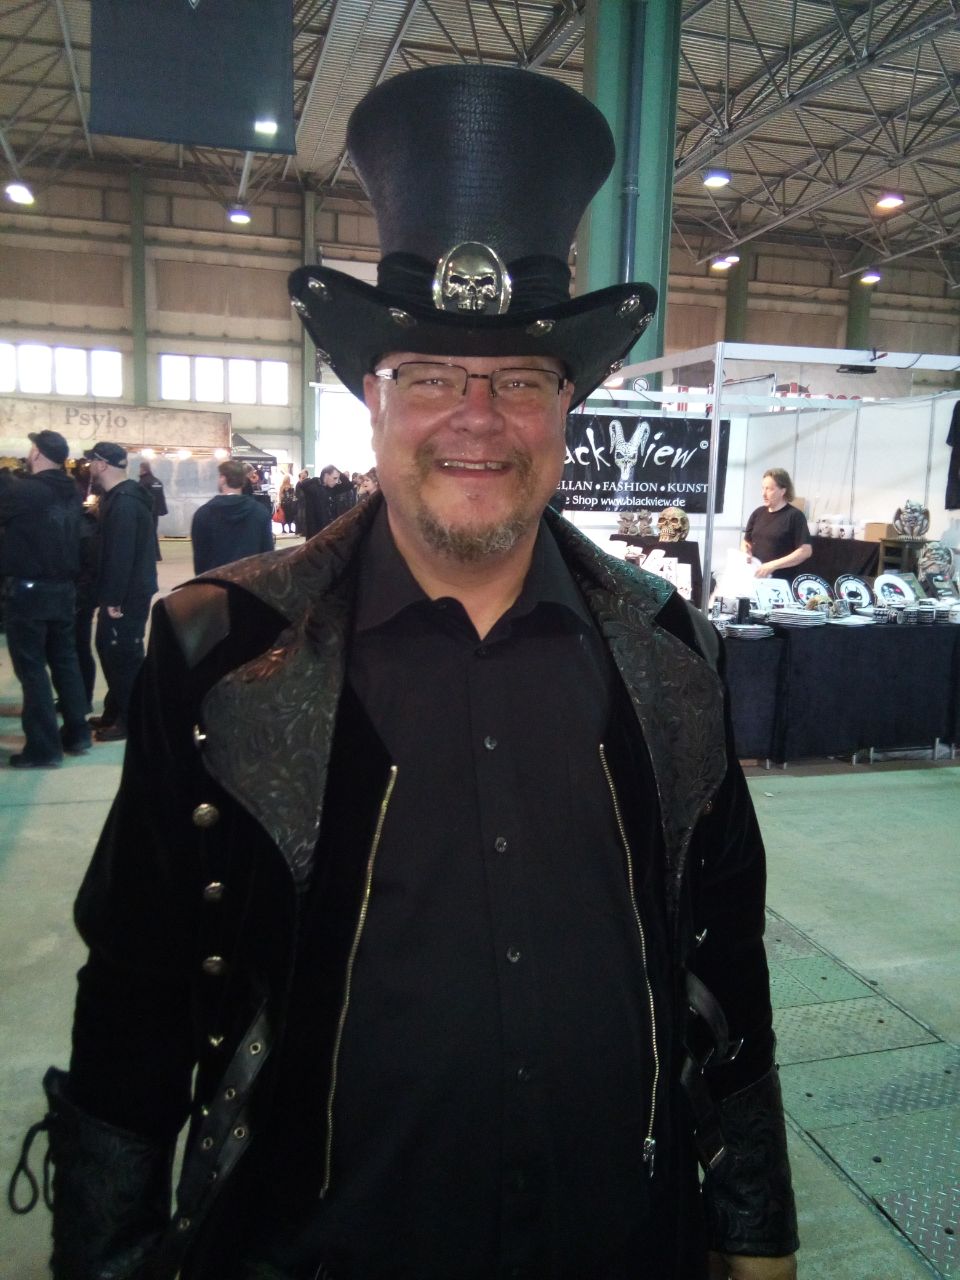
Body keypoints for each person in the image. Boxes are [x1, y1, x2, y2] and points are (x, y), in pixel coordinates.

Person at [27, 65, 796, 1280]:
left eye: (521, 379)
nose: (475, 415)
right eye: (428, 374)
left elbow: (725, 957)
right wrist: (107, 1256)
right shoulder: (221, 655)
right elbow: (137, 989)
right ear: (371, 401)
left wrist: (754, 1229)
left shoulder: (672, 655)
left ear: (567, 407)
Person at [0, 430, 91, 767]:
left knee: (32, 669)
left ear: (37, 453)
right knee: (65, 661)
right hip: (63, 590)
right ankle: (77, 733)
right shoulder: (72, 490)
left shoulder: (24, 492)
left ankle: (43, 748)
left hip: (29, 592)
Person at [84, 442, 158, 743]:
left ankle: (131, 720)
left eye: (91, 461)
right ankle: (115, 711)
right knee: (111, 649)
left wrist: (113, 598)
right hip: (128, 590)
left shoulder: (125, 502)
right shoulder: (121, 497)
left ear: (102, 464)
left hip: (127, 595)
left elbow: (121, 554)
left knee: (122, 655)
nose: (88, 466)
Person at [190, 458, 275, 575]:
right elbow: (268, 555)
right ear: (243, 481)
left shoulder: (203, 514)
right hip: (250, 582)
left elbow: (200, 559)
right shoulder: (260, 512)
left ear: (222, 479)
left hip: (216, 582)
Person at [743, 469, 812, 580]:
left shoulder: (795, 516)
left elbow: (805, 551)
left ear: (782, 491)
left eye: (769, 489)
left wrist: (773, 565)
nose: (763, 494)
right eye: (763, 488)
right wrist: (746, 551)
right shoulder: (758, 513)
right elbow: (747, 541)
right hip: (756, 577)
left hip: (780, 581)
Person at [138, 460, 168, 561]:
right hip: (155, 511)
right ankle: (156, 555)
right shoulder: (157, 481)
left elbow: (141, 498)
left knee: (147, 533)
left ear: (143, 469)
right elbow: (160, 497)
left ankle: (151, 555)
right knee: (153, 532)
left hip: (147, 511)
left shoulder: (143, 482)